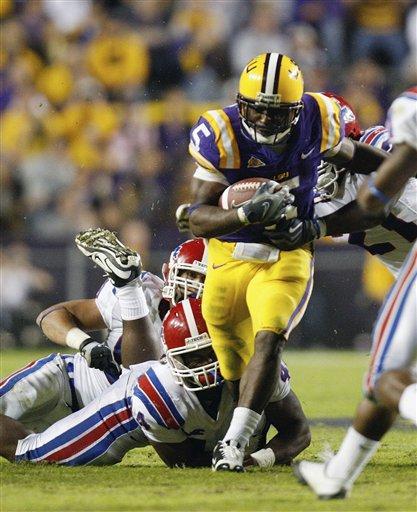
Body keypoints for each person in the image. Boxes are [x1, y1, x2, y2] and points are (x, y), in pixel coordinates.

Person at [186, 52, 388, 472]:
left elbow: (355, 156)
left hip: (286, 252)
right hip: (227, 256)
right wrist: (243, 214)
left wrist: (398, 169)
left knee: (269, 338)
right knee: (230, 361)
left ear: (295, 109)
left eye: (274, 111)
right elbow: (196, 218)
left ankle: (234, 444)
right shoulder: (220, 130)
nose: (261, 119)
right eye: (255, 108)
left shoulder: (317, 116)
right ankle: (271, 433)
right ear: (240, 102)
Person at [0, 299, 311, 468]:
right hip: (126, 409)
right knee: (30, 452)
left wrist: (259, 459)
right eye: (190, 358)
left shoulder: (257, 368)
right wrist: (230, 453)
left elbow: (298, 430)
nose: (200, 367)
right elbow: (184, 463)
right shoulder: (161, 392)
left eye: (206, 355)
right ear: (170, 358)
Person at [293, 87, 417, 499]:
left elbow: (373, 202)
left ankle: (336, 478)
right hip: (409, 273)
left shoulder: (386, 135)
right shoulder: (321, 200)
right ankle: (336, 478)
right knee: (387, 381)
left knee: (386, 379)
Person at [0, 229, 207, 432]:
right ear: (168, 273)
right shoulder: (144, 291)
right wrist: (84, 343)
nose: (193, 287)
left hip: (114, 422)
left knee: (29, 452)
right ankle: (125, 283)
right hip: (70, 385)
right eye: (189, 275)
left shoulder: (218, 322)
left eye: (202, 279)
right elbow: (51, 316)